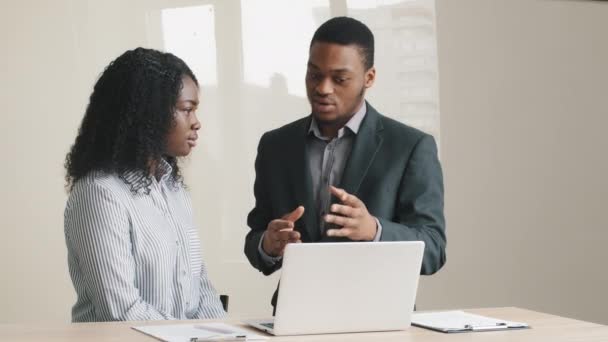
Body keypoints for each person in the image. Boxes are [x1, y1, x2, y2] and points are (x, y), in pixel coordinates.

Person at [244, 17, 446, 310]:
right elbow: (255, 238)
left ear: (370, 77)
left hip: (381, 321)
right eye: (314, 75)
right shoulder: (276, 146)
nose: (323, 88)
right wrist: (269, 244)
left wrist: (374, 230)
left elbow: (434, 248)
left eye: (339, 79)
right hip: (296, 317)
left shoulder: (411, 147)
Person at [64, 48, 225, 322]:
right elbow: (121, 312)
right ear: (148, 114)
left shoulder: (173, 189)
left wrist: (227, 334)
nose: (196, 123)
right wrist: (192, 336)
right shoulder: (99, 193)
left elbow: (201, 291)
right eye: (187, 109)